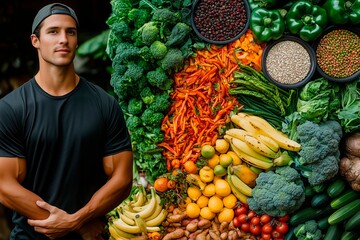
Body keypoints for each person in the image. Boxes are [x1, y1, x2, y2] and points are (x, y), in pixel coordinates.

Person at [0, 3, 133, 239]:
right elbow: (5, 187)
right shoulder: (11, 108)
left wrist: (77, 219)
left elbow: (122, 179)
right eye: (53, 31)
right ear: (35, 41)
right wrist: (76, 224)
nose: (64, 39)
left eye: (70, 32)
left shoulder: (104, 104)